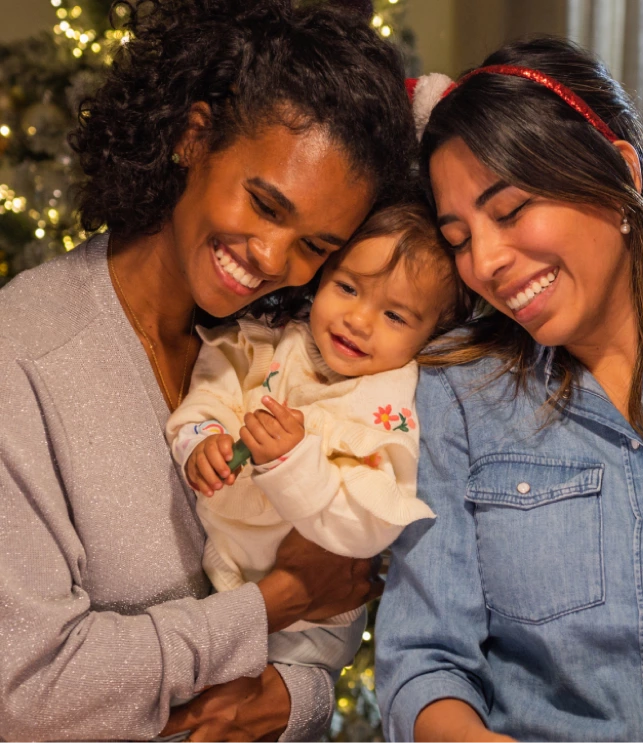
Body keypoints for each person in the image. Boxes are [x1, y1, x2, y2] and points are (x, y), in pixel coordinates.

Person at [0, 0, 417, 739]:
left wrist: (293, 697)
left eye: (315, 246)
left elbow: (327, 617)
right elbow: (29, 687)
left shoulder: (286, 352)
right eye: (263, 203)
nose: (271, 257)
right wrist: (268, 606)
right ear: (195, 139)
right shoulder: (22, 355)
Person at [376, 36, 643, 743]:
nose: (485, 262)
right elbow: (425, 662)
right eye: (459, 237)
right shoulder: (454, 392)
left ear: (619, 177)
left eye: (509, 211)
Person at [165, 202, 468, 665]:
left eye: (395, 316)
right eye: (347, 287)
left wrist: (292, 464)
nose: (358, 320)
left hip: (306, 627)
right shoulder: (271, 341)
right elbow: (212, 393)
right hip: (213, 568)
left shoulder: (388, 406)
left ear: (431, 334)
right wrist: (202, 441)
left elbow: (368, 526)